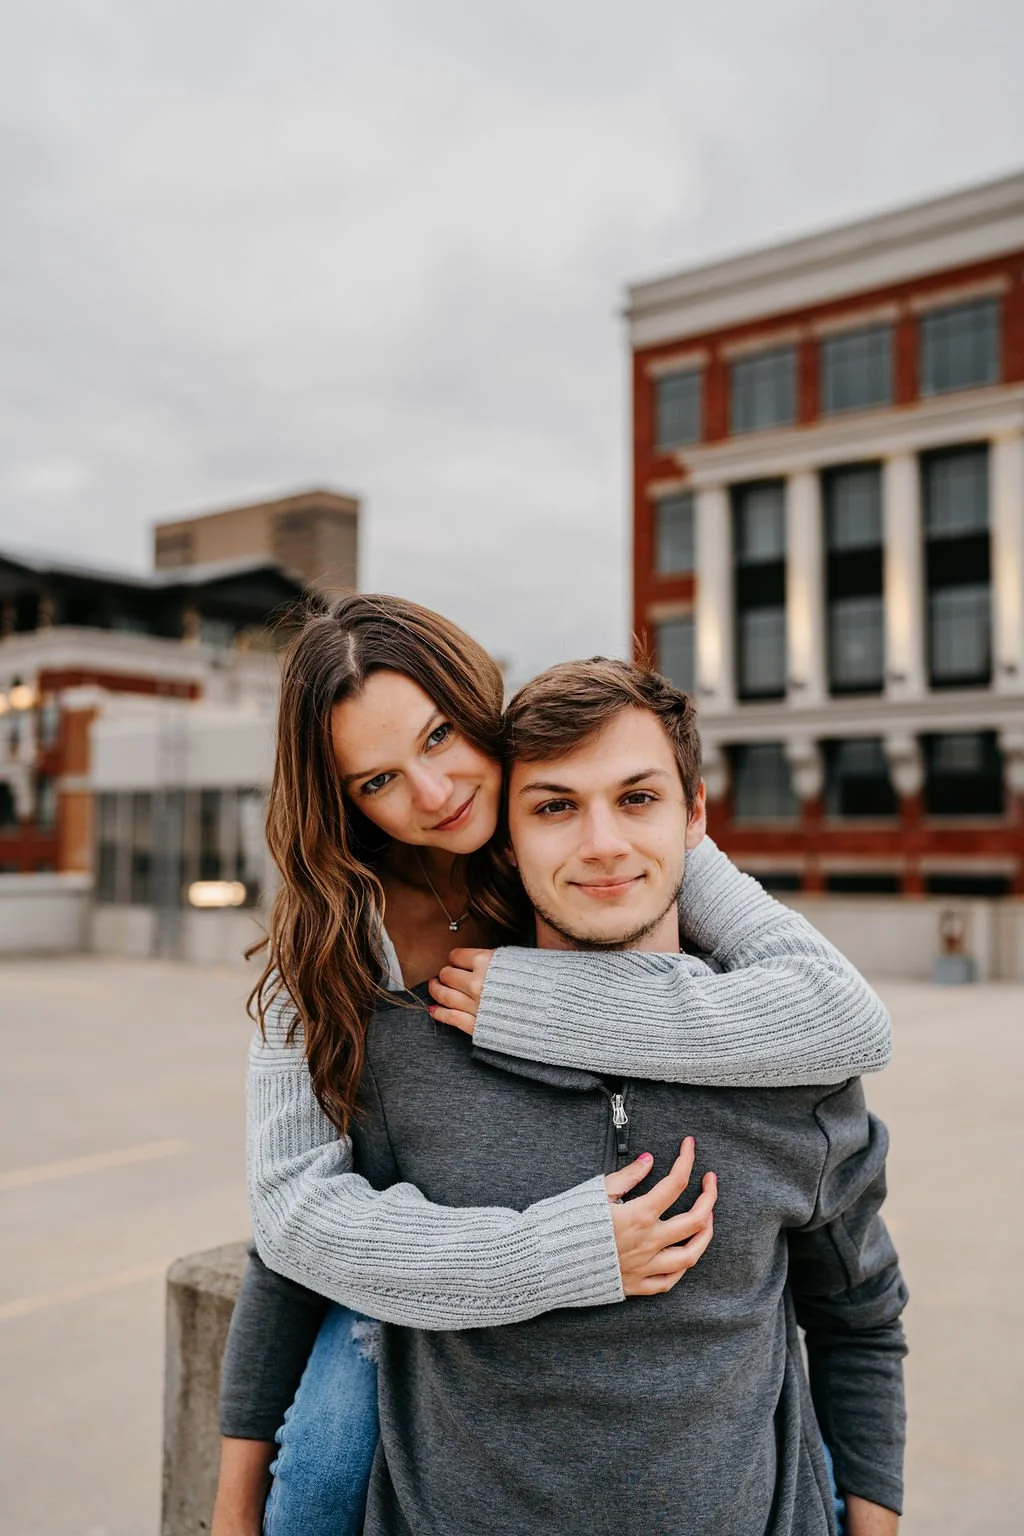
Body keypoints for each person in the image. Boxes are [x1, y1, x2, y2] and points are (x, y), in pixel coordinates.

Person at [212, 595, 892, 1536]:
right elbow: (292, 1223)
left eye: (443, 735)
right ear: (345, 801)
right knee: (327, 1452)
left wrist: (538, 1003)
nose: (435, 790)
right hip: (408, 1287)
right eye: (378, 780)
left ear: (478, 706)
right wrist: (554, 1255)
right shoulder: (334, 953)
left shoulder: (609, 837)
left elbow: (844, 1016)